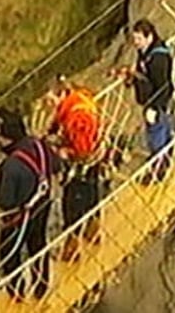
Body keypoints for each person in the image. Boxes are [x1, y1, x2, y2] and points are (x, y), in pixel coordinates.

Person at [0, 110, 60, 301]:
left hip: (19, 217)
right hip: (43, 205)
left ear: (7, 139)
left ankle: (17, 292)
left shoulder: (10, 166)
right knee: (37, 244)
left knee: (9, 253)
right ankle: (41, 286)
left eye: (0, 137)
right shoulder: (39, 145)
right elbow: (56, 166)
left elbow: (5, 200)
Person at [46, 79, 102, 261]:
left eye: (52, 100)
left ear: (61, 95)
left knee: (72, 203)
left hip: (84, 163)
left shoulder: (78, 117)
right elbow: (60, 117)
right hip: (94, 156)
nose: (50, 105)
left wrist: (64, 152)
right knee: (92, 194)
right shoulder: (78, 99)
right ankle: (92, 231)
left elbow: (83, 150)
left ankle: (72, 247)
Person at [127, 19, 175, 181]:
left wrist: (154, 108)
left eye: (139, 39)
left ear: (149, 37)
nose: (136, 42)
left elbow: (163, 86)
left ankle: (158, 169)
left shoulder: (158, 60)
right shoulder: (145, 51)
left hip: (156, 102)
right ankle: (165, 159)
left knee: (156, 134)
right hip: (153, 99)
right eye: (135, 38)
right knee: (164, 129)